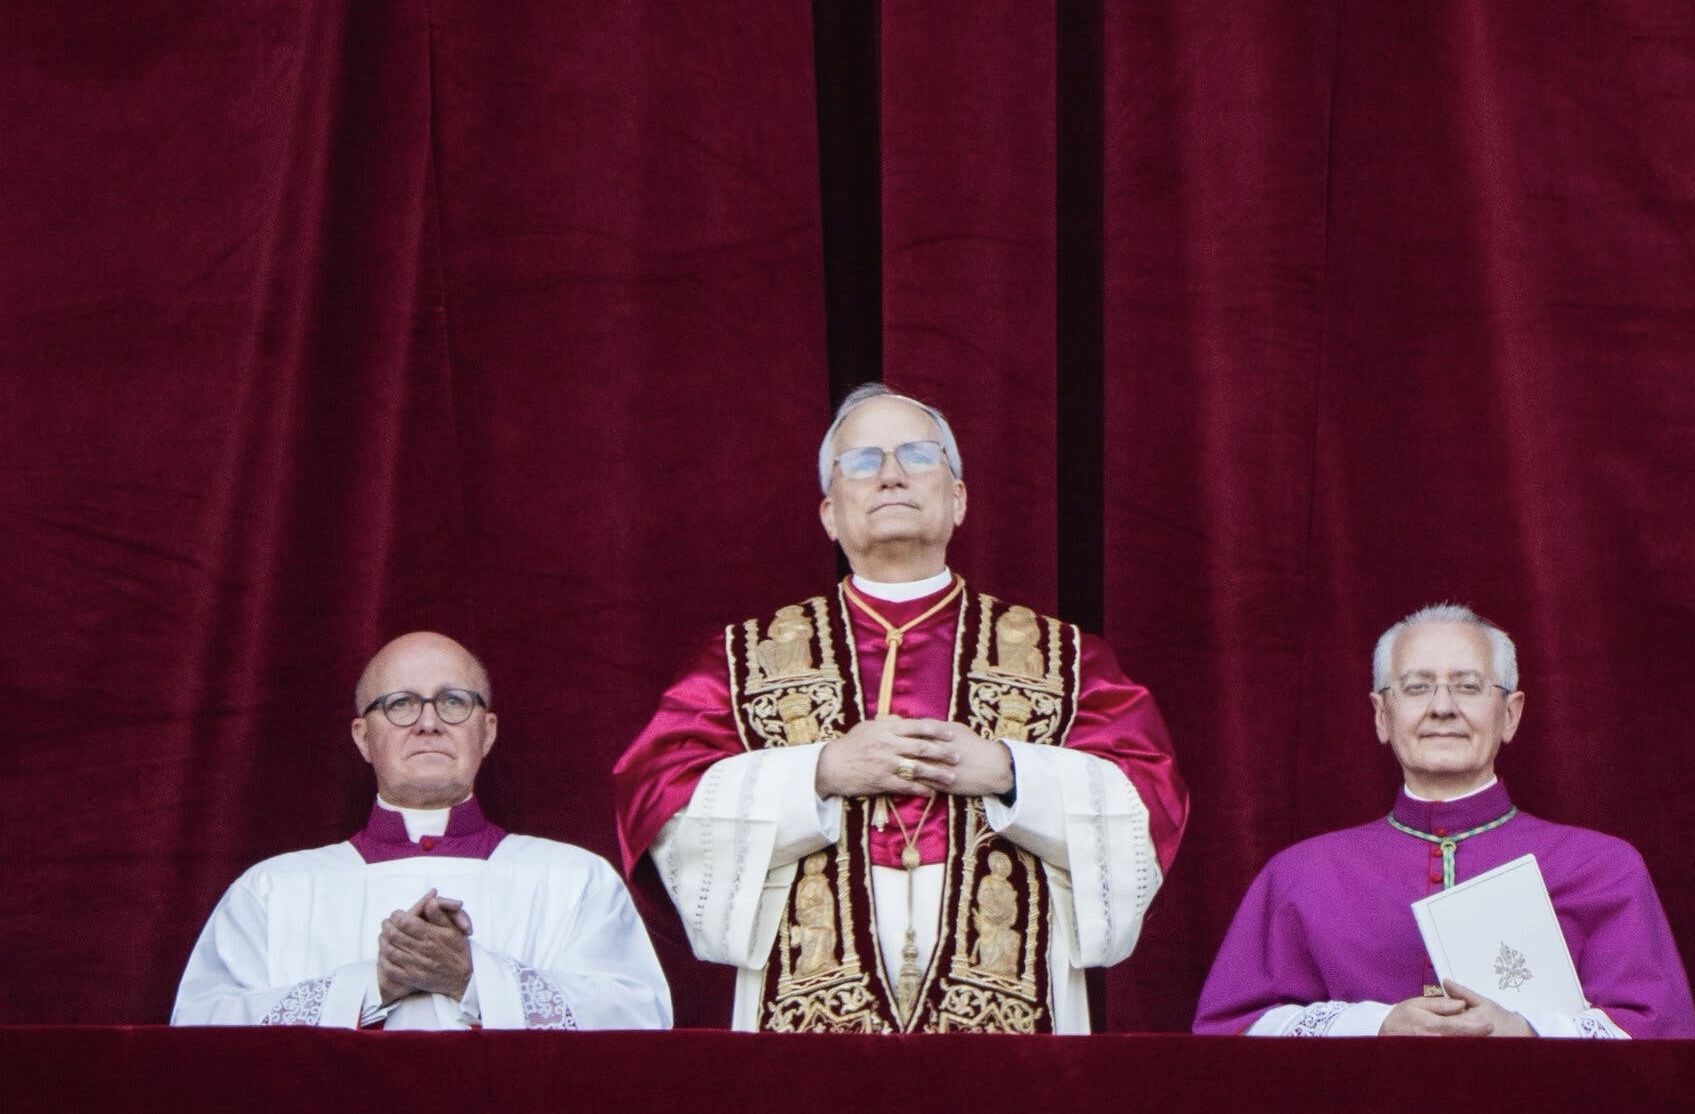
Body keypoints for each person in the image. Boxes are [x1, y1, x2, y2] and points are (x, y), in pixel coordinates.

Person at [614, 384, 1188, 1032]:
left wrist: (1009, 771)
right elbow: (659, 793)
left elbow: (1149, 799)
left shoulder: (1064, 656)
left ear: (959, 497)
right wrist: (820, 773)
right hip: (806, 985)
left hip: (1011, 990)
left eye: (918, 455)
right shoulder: (744, 658)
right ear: (830, 513)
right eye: (862, 461)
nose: (890, 475)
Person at [1192, 603, 1695, 1038]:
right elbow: (1230, 1030)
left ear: (1511, 714)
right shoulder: (1299, 875)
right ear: (1382, 716)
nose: (1441, 708)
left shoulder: (1602, 868)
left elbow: (1660, 1033)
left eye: (1468, 686)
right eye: (1415, 688)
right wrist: (1375, 1024)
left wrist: (1526, 1029)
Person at [173, 631, 671, 1030]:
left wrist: (475, 979)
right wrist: (373, 986)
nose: (428, 723)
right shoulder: (273, 890)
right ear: (364, 738)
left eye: (453, 701)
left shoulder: (575, 879)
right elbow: (200, 1033)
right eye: (400, 704)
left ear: (488, 732)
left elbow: (639, 1021)